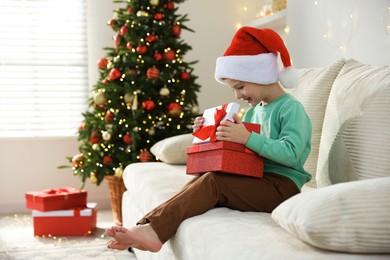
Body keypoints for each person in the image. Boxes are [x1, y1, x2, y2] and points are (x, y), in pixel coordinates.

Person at [106, 26, 312, 253]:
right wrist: (209, 133)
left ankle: (154, 232)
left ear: (260, 75)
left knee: (215, 182)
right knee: (208, 176)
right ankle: (147, 226)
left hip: (282, 188)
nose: (237, 95)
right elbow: (244, 154)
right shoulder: (254, 112)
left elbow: (291, 154)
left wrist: (246, 138)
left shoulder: (291, 108)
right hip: (259, 180)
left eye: (240, 87)